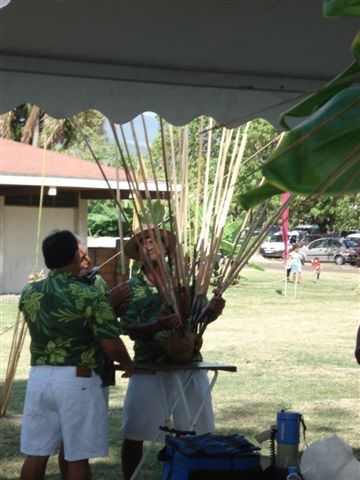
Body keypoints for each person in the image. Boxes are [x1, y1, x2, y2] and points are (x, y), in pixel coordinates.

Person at [19, 230, 134, 480]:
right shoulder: (90, 294)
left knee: (36, 453)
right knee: (77, 455)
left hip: (39, 377)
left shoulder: (30, 293)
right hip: (78, 379)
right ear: (74, 255)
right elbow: (111, 345)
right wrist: (128, 363)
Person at [119, 226, 225, 480]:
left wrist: (212, 312)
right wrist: (156, 326)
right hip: (149, 366)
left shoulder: (184, 284)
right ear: (138, 254)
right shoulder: (130, 288)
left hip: (188, 366)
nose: (149, 244)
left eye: (155, 240)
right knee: (134, 432)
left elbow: (197, 322)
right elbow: (129, 328)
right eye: (143, 242)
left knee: (197, 431)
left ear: (166, 248)